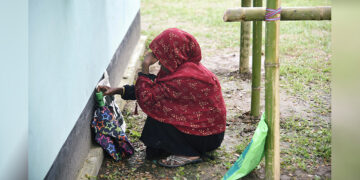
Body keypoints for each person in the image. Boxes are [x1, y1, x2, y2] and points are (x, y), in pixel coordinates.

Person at [97, 28, 226, 167]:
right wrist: (118, 90)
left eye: (161, 56)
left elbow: (148, 99)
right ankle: (184, 147)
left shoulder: (185, 77)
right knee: (154, 146)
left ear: (174, 54)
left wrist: (145, 67)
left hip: (205, 137)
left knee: (157, 117)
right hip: (208, 133)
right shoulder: (183, 68)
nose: (158, 62)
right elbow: (155, 88)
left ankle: (189, 154)